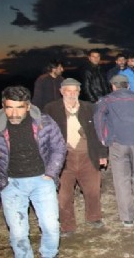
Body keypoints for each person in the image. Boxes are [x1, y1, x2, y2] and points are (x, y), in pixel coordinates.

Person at [0, 86, 66, 258]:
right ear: (3, 106)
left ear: (28, 106)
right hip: (11, 184)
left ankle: (49, 254)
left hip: (42, 181)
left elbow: (59, 147)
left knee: (51, 227)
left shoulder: (44, 122)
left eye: (19, 107)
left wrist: (51, 172)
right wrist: (0, 182)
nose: (14, 113)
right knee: (18, 233)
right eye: (9, 107)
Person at [44, 78, 108, 237]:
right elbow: (43, 135)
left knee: (93, 190)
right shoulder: (51, 109)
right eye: (68, 91)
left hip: (88, 154)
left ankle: (94, 217)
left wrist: (102, 154)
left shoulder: (90, 108)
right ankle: (67, 225)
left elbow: (100, 132)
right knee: (64, 194)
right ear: (61, 91)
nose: (72, 94)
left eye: (75, 91)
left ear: (79, 92)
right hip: (63, 159)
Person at [94, 75, 134, 228]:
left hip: (117, 144)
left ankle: (127, 217)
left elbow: (98, 118)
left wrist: (103, 138)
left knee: (121, 180)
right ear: (128, 86)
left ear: (113, 86)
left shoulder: (106, 100)